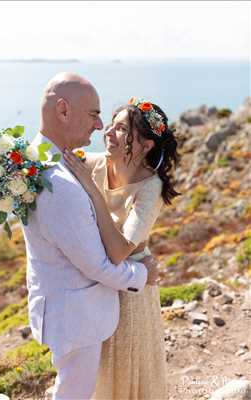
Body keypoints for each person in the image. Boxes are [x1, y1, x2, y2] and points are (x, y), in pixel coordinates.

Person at [21, 73, 160, 400]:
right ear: (64, 110)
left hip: (73, 307)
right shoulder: (63, 183)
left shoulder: (42, 160)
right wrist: (143, 273)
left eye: (115, 124)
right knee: (75, 393)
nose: (102, 128)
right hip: (78, 313)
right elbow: (97, 265)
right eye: (95, 115)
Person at [64, 97, 180, 399]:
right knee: (95, 369)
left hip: (131, 290)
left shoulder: (150, 187)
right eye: (111, 126)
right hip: (96, 283)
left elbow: (117, 253)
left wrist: (91, 189)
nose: (108, 133)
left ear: (145, 144)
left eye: (120, 129)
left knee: (125, 372)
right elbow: (57, 159)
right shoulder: (95, 162)